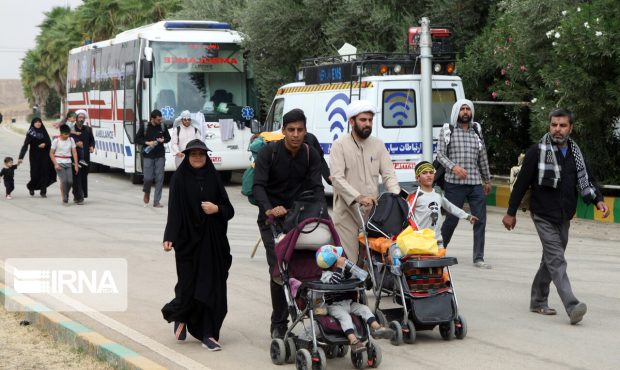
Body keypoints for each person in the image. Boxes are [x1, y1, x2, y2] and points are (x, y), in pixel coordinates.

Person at [502, 108, 609, 325]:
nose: (557, 129)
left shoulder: (576, 153)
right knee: (557, 259)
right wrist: (510, 213)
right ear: (549, 126)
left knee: (550, 260)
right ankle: (572, 305)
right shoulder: (537, 151)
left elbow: (587, 178)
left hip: (564, 216)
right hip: (542, 214)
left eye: (562, 125)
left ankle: (537, 299)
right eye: (554, 125)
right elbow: (522, 183)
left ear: (571, 127)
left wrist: (598, 200)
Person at [252, 108, 325, 338]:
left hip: (300, 220)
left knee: (311, 267)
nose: (295, 134)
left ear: (305, 131)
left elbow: (317, 189)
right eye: (291, 130)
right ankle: (279, 324)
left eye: (300, 130)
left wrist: (319, 214)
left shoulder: (311, 154)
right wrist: (269, 209)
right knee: (279, 270)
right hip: (271, 221)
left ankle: (313, 318)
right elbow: (258, 187)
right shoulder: (268, 153)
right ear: (283, 131)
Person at [161, 139, 234, 351]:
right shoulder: (179, 179)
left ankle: (208, 333)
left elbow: (229, 209)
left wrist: (217, 209)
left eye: (201, 154)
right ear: (186, 156)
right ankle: (181, 314)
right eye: (193, 154)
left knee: (212, 287)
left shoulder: (214, 177)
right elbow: (174, 211)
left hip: (213, 244)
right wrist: (169, 236)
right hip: (187, 242)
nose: (198, 158)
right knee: (188, 287)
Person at [330, 100, 400, 262]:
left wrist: (397, 198)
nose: (367, 124)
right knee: (351, 262)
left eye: (370, 120)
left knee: (375, 261)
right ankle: (353, 287)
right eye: (363, 120)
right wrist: (359, 197)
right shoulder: (339, 145)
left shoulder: (378, 145)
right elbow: (337, 178)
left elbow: (389, 175)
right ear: (352, 121)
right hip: (348, 214)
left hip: (374, 215)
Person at [436, 99, 492, 268]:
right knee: (452, 220)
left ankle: (478, 258)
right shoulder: (448, 130)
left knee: (480, 220)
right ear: (456, 112)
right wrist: (454, 168)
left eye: (468, 109)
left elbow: (482, 157)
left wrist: (487, 179)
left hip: (475, 183)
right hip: (454, 183)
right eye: (462, 109)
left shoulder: (476, 130)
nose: (466, 112)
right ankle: (439, 252)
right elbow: (440, 155)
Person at [316, 245, 394, 352]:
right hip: (334, 306)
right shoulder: (326, 276)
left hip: (348, 303)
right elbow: (334, 282)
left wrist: (348, 267)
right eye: (338, 258)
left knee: (364, 309)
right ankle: (353, 341)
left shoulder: (340, 271)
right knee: (345, 317)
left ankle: (377, 327)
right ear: (334, 264)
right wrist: (339, 267)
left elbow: (348, 276)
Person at [408, 161, 478, 247]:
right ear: (417, 178)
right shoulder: (415, 196)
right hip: (420, 241)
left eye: (431, 172)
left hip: (437, 241)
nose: (429, 175)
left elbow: (450, 207)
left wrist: (467, 216)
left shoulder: (438, 194)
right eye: (424, 173)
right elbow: (407, 217)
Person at [136, 109, 171, 207]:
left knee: (159, 178)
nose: (160, 121)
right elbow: (137, 139)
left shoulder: (163, 126)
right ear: (152, 119)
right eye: (158, 120)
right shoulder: (145, 127)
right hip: (148, 155)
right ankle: (147, 192)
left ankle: (156, 201)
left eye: (161, 119)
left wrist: (163, 140)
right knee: (148, 178)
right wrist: (148, 143)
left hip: (160, 155)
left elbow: (168, 138)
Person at [18, 117, 56, 197]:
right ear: (33, 123)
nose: (38, 123)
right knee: (34, 174)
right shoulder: (30, 133)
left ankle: (43, 191)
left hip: (44, 156)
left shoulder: (44, 131)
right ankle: (31, 187)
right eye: (36, 122)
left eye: (39, 122)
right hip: (34, 156)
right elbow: (25, 145)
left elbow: (49, 142)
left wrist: (45, 144)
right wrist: (21, 157)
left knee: (44, 173)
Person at [50, 124, 79, 205]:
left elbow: (74, 152)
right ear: (61, 133)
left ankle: (65, 194)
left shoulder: (71, 140)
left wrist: (76, 165)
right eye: (65, 134)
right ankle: (65, 198)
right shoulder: (56, 141)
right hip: (59, 162)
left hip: (68, 162)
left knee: (70, 181)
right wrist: (55, 164)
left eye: (68, 134)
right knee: (64, 181)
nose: (67, 136)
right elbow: (51, 153)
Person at [72, 110, 96, 199]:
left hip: (85, 157)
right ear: (76, 118)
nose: (81, 119)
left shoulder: (88, 129)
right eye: (79, 117)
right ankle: (78, 195)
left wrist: (92, 147)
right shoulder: (72, 129)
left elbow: (92, 140)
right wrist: (75, 142)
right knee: (76, 176)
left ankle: (82, 194)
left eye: (83, 118)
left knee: (84, 176)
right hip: (75, 157)